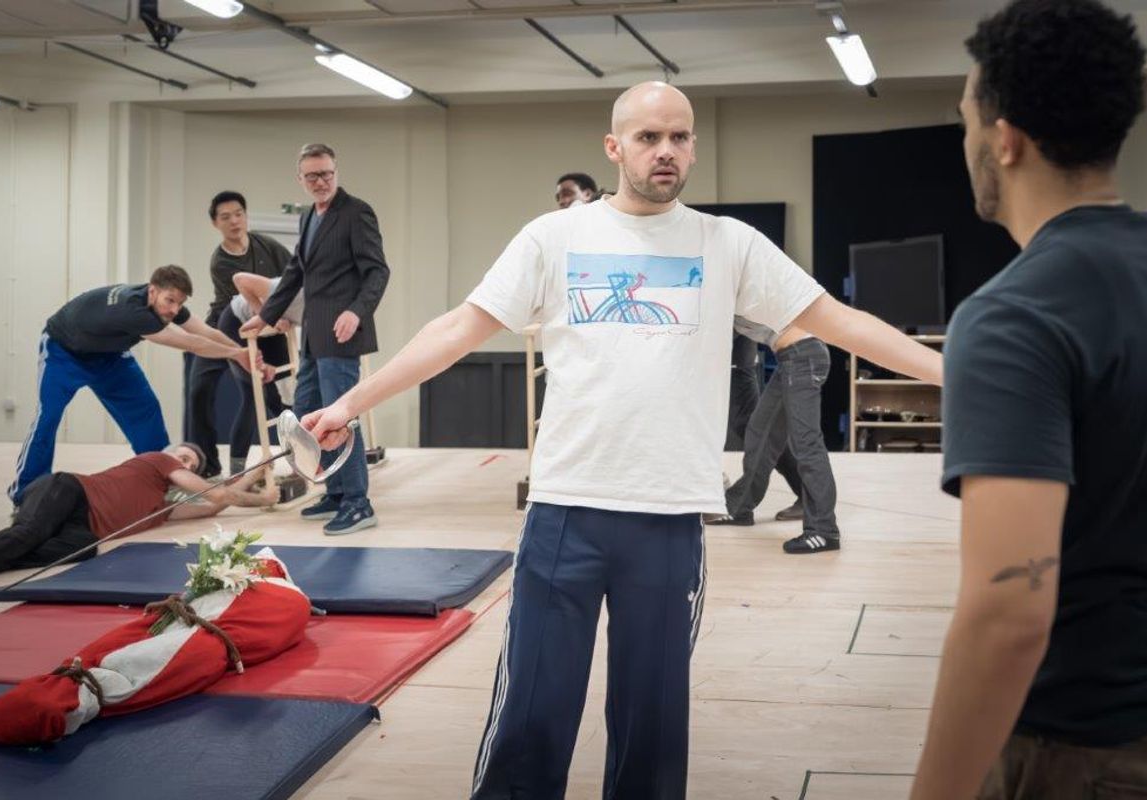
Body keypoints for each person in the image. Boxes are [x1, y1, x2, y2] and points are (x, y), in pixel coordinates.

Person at [301, 81, 942, 799]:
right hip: (565, 511)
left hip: (669, 519)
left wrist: (949, 376)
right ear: (614, 147)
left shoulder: (727, 244)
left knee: (651, 725)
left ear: (693, 146)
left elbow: (839, 320)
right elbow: (457, 329)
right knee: (532, 717)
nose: (664, 151)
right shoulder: (554, 237)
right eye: (647, 137)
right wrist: (351, 402)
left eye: (678, 137)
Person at [910, 2, 1147, 798]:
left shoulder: (1014, 316)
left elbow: (1009, 611)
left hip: (1083, 750)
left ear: (1003, 139)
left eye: (966, 119)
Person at [8, 266, 259, 506]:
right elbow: (191, 343)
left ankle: (163, 481)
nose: (174, 309)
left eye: (180, 303)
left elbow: (204, 331)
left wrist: (242, 350)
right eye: (170, 300)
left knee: (145, 409)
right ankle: (25, 493)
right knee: (48, 418)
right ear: (152, 291)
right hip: (64, 351)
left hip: (109, 356)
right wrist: (236, 355)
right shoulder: (132, 311)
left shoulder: (164, 304)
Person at [241, 143, 391, 536]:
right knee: (307, 410)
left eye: (326, 173)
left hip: (342, 334)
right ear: (301, 179)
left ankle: (359, 502)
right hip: (313, 335)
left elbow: (378, 271)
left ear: (336, 172)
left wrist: (356, 312)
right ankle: (337, 493)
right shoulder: (310, 216)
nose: (320, 182)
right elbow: (295, 273)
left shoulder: (356, 212)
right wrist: (265, 315)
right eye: (312, 176)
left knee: (341, 417)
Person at [0, 444, 277, 596]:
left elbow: (212, 505)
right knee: (28, 533)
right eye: (184, 456)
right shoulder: (158, 460)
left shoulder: (158, 507)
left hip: (84, 529)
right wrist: (262, 499)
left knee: (80, 549)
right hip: (70, 490)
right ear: (171, 454)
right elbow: (217, 495)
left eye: (192, 464)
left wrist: (256, 474)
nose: (186, 463)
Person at [186, 191, 291, 477]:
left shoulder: (265, 244)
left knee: (273, 397)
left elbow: (293, 273)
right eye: (225, 217)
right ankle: (211, 465)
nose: (234, 221)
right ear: (215, 223)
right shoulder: (220, 261)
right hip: (227, 326)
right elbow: (244, 306)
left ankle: (301, 456)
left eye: (239, 214)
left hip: (269, 326)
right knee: (199, 390)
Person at [711, 323, 837, 553]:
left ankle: (823, 531)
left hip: (804, 356)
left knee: (806, 443)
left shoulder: (735, 291)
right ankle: (739, 508)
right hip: (790, 359)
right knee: (760, 433)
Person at [220, 272, 305, 475]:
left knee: (285, 401)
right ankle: (236, 473)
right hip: (237, 323)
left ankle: (302, 462)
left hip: (272, 333)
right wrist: (267, 315)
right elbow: (240, 279)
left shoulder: (332, 305)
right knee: (253, 396)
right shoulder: (298, 292)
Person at [725, 333, 805, 522]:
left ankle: (809, 493)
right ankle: (809, 494)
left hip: (733, 344)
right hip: (715, 347)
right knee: (751, 426)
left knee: (751, 426)